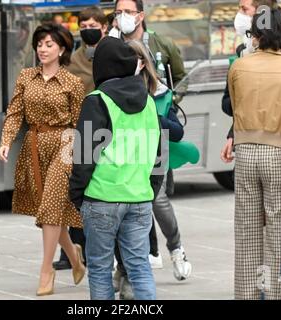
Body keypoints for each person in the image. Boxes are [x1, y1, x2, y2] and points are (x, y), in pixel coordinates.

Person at [69, 36, 164, 300]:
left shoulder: (97, 100)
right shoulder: (148, 101)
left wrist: (76, 193)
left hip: (102, 197)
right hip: (139, 197)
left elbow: (84, 154)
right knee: (139, 266)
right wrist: (150, 190)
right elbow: (160, 153)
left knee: (99, 268)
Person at [228, 9, 281, 299]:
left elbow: (236, 106)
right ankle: (277, 294)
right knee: (278, 232)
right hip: (280, 154)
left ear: (256, 35)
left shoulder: (239, 67)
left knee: (247, 232)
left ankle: (248, 295)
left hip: (245, 154)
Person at [0, 23, 86, 296]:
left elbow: (79, 123)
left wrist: (77, 157)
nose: (43, 49)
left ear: (61, 49)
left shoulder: (73, 83)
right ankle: (74, 256)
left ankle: (46, 270)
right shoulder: (26, 77)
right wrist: (6, 141)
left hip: (64, 146)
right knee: (47, 211)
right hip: (34, 146)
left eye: (49, 44)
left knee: (50, 206)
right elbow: (14, 113)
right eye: (39, 44)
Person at [111, 0, 191, 296]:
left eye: (128, 11)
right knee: (124, 203)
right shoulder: (111, 44)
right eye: (118, 12)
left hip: (155, 140)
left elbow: (179, 79)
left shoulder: (160, 46)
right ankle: (127, 266)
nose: (122, 17)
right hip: (123, 142)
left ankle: (176, 247)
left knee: (156, 199)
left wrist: (167, 106)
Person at [220, 0, 281, 163]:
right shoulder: (243, 51)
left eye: (244, 9)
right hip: (249, 146)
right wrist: (234, 134)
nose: (239, 14)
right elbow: (231, 102)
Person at [53, 6, 108, 271]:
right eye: (83, 27)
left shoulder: (112, 54)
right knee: (72, 189)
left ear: (104, 27)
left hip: (106, 132)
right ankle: (73, 251)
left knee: (99, 189)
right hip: (75, 131)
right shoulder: (74, 59)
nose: (87, 31)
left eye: (92, 26)